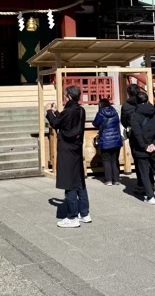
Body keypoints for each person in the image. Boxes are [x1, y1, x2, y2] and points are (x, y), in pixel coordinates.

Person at [47, 86, 90, 228]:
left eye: (66, 96)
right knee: (80, 181)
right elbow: (66, 121)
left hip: (66, 149)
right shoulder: (81, 110)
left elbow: (55, 124)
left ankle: (72, 217)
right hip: (77, 149)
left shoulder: (68, 111)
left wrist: (49, 112)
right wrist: (56, 112)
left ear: (69, 97)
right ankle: (84, 213)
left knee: (69, 183)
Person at [130, 92, 155, 204]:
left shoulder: (135, 115)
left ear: (137, 101)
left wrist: (144, 146)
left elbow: (137, 133)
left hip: (141, 149)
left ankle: (150, 196)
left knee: (144, 173)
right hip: (154, 148)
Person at [92, 98, 123, 186]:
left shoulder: (101, 113)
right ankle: (116, 180)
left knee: (106, 160)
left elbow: (95, 123)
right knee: (114, 160)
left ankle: (108, 180)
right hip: (116, 139)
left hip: (105, 140)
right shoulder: (115, 112)